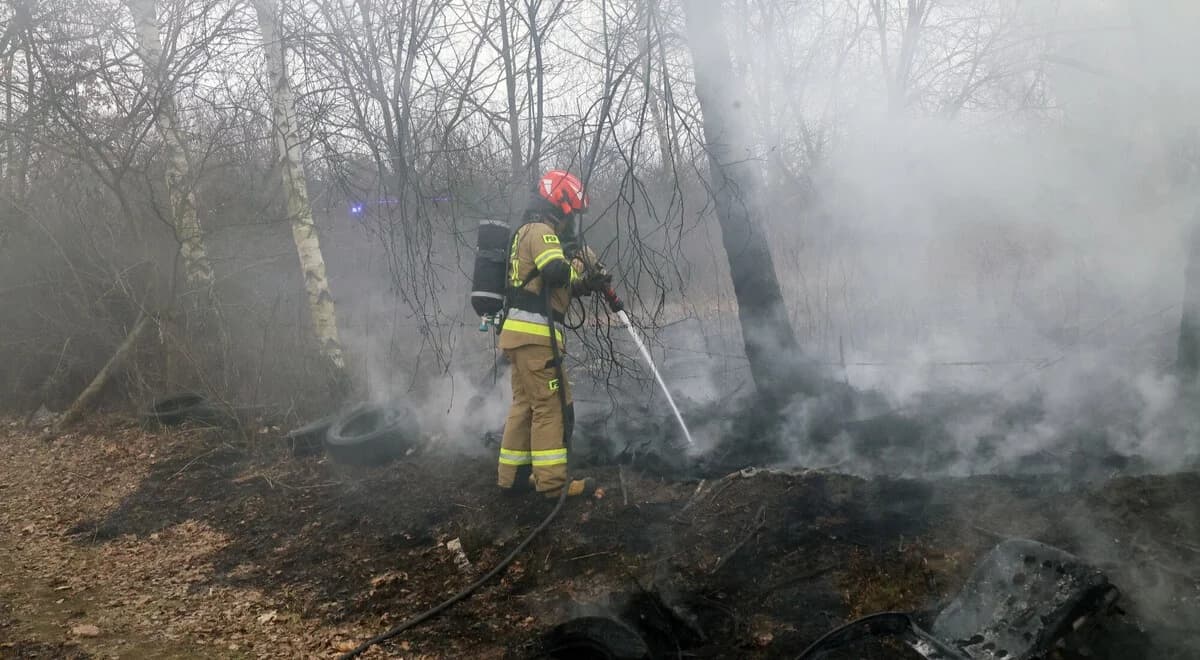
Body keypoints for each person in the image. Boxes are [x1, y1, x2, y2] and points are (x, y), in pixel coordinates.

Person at [497, 170, 609, 498]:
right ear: (558, 204)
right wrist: (578, 258)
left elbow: (550, 286)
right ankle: (554, 486)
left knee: (525, 405)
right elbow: (556, 271)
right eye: (570, 213)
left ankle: (512, 478)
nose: (570, 221)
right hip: (536, 337)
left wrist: (586, 284)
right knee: (550, 406)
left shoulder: (526, 232)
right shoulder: (542, 231)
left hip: (518, 337)